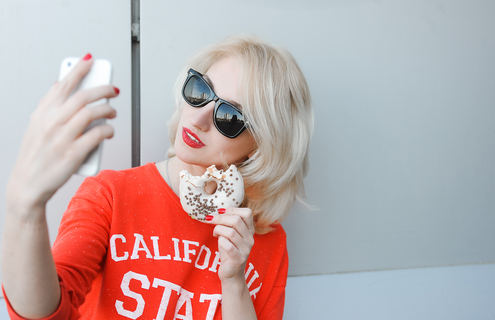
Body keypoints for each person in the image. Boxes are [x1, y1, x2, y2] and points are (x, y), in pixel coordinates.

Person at [1, 35, 314, 320]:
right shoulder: (111, 194)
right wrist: (22, 210)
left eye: (229, 117)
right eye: (200, 91)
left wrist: (233, 282)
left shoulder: (264, 239)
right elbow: (45, 313)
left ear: (261, 147)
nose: (200, 117)